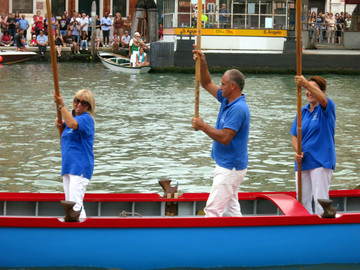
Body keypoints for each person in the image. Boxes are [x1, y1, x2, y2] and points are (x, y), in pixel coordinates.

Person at [192, 48, 250, 217]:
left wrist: (203, 126)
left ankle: (208, 241)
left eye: (223, 84)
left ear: (233, 86)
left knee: (212, 210)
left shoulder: (238, 109)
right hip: (227, 165)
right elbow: (206, 83)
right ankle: (240, 238)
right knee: (231, 210)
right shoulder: (227, 99)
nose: (220, 86)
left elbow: (225, 138)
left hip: (230, 167)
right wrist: (203, 61)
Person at [291, 75, 336, 215]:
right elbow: (294, 135)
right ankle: (305, 229)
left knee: (320, 201)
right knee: (302, 201)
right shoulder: (302, 111)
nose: (308, 92)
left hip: (321, 161)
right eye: (306, 89)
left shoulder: (327, 107)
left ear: (322, 91)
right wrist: (298, 151)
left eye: (312, 89)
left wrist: (305, 83)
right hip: (303, 162)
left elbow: (323, 100)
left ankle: (324, 229)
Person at [54, 89, 95, 221]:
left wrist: (61, 106)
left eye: (84, 103)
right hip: (68, 166)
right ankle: (73, 226)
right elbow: (64, 143)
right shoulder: (70, 121)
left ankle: (81, 230)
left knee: (76, 204)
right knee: (69, 204)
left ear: (89, 106)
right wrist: (60, 127)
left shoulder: (86, 119)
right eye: (77, 101)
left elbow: (72, 124)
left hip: (80, 167)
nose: (79, 105)